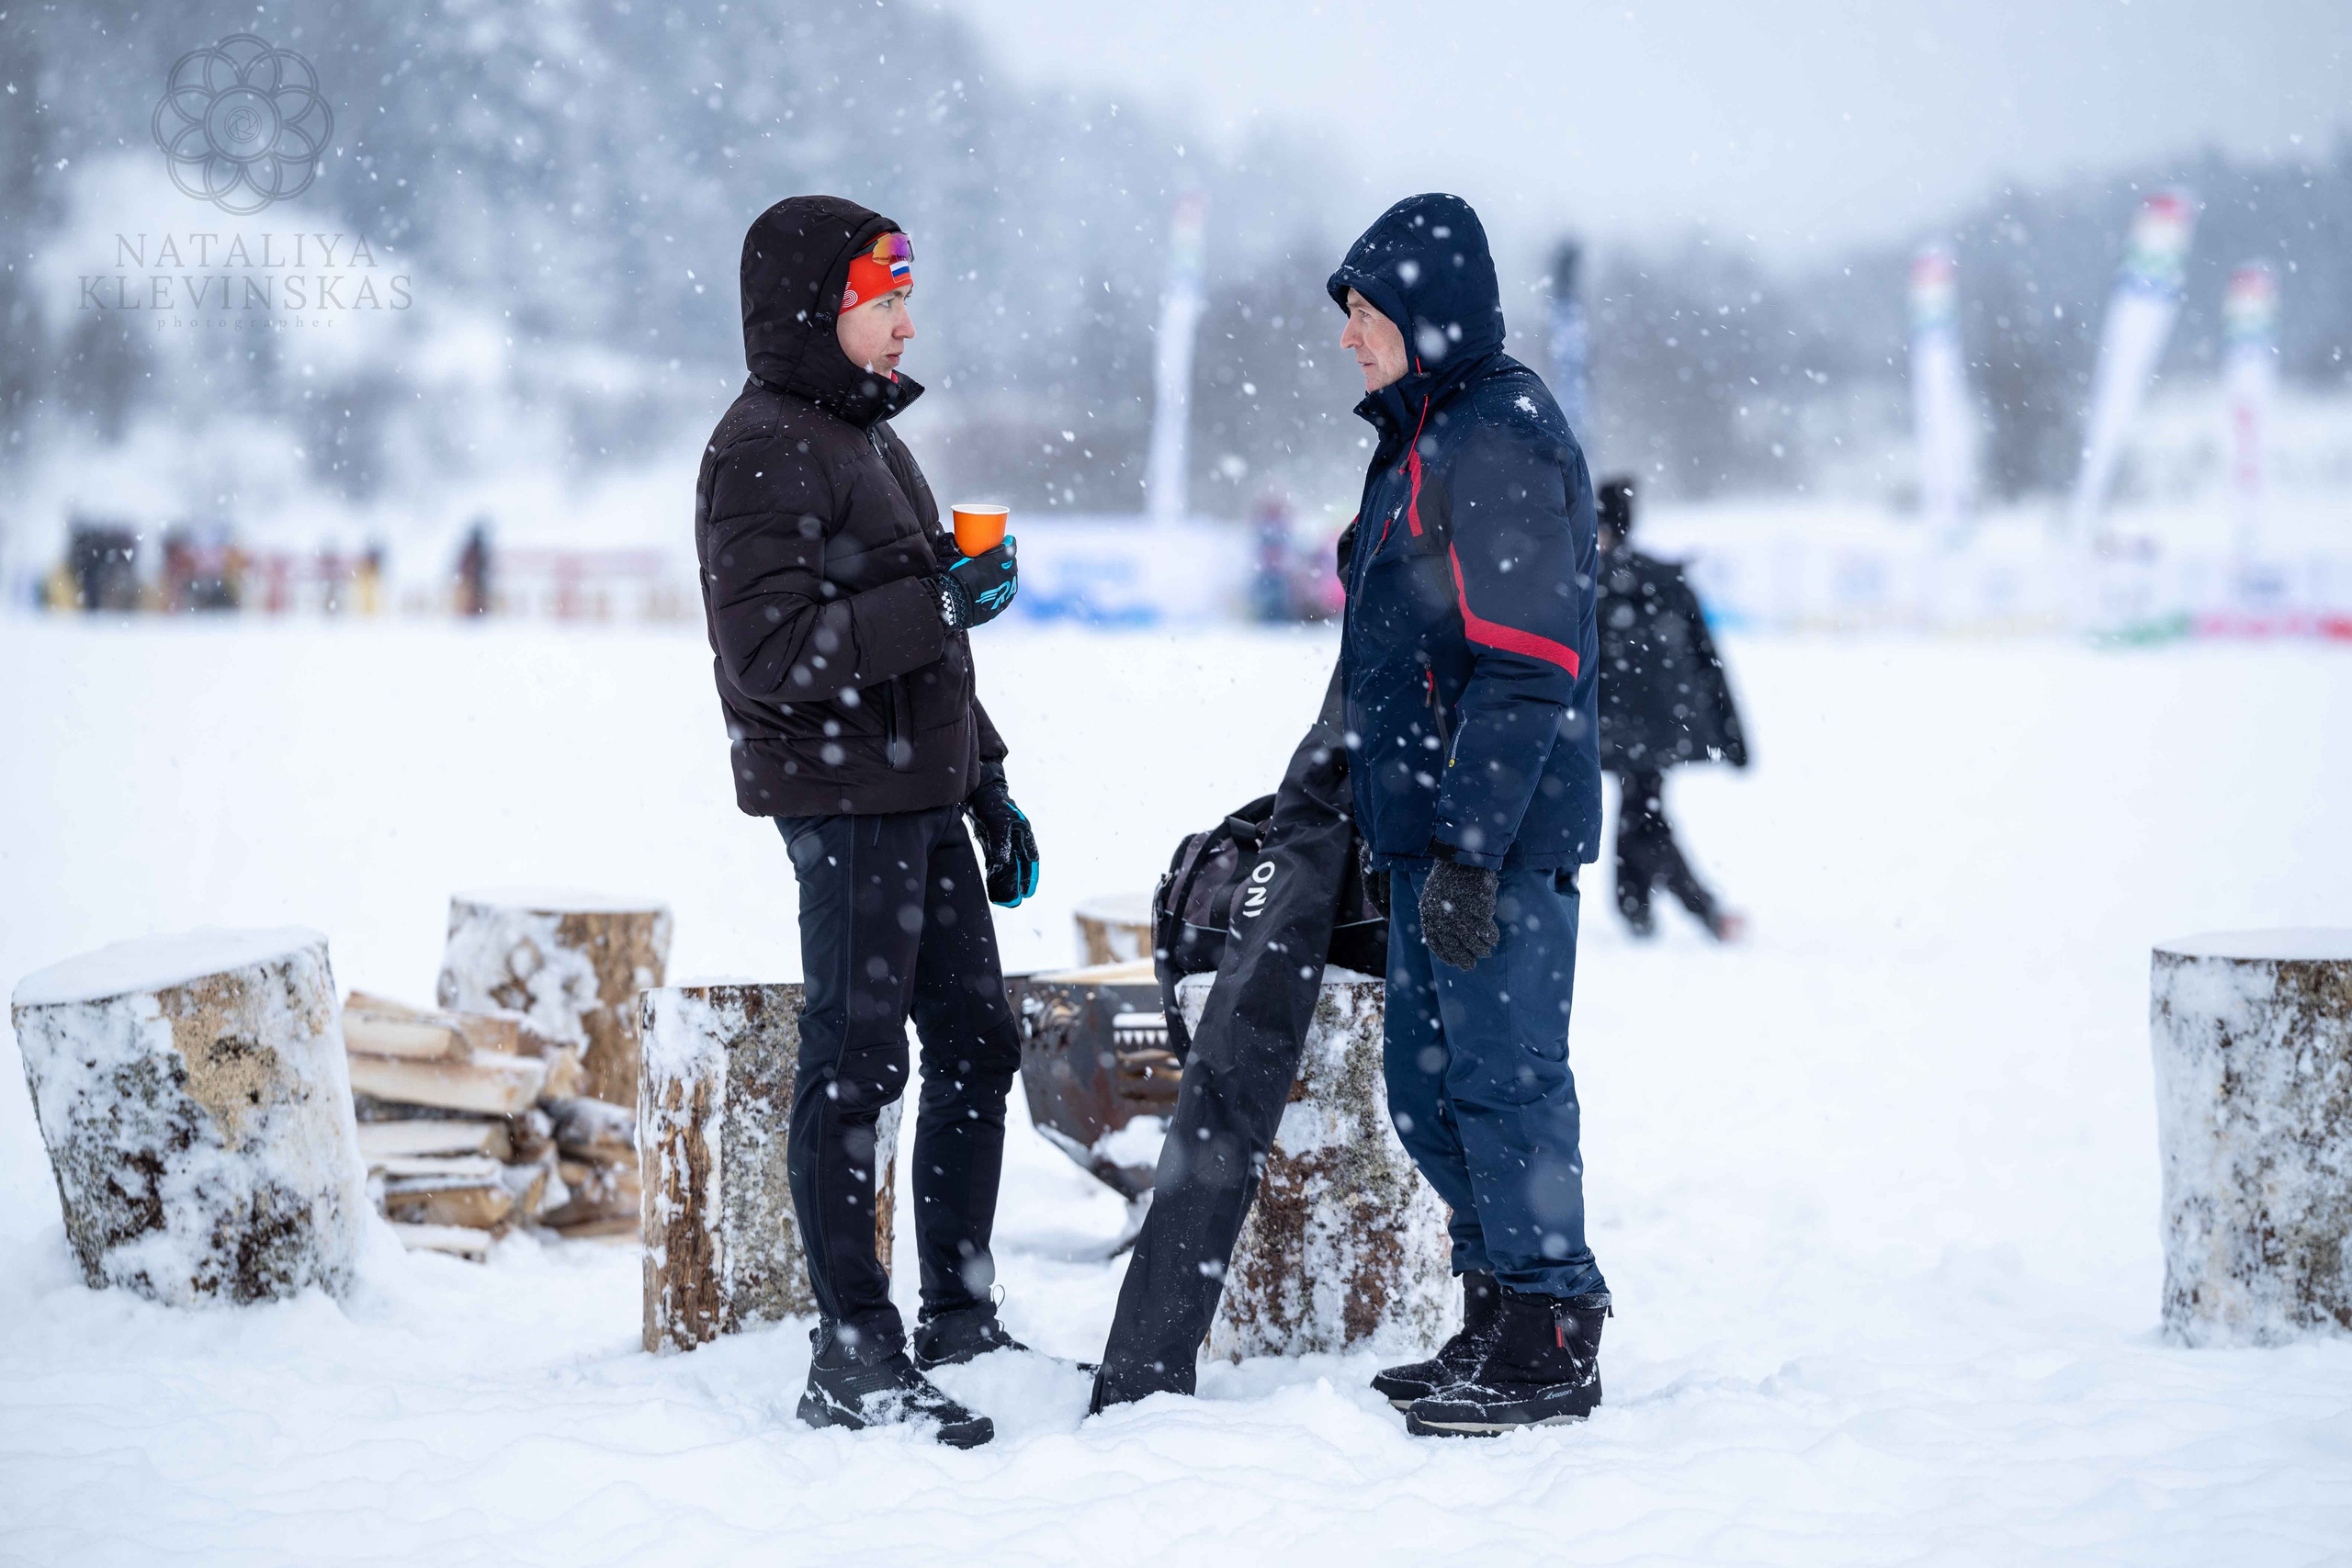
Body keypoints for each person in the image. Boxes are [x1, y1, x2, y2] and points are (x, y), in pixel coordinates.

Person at [694, 196, 1040, 1450]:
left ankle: (959, 1313)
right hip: (843, 800)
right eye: (882, 302)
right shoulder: (762, 449)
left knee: (978, 1041)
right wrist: (940, 602)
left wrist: (986, 778)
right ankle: (852, 1353)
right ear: (814, 312)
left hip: (919, 787)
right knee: (853, 1065)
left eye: (907, 299)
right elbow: (772, 654)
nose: (905, 324)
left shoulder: (866, 434)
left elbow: (923, 636)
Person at [1328, 193, 1611, 1436]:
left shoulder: (1496, 435)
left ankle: (1551, 1329)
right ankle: (1496, 1306)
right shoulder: (1426, 434)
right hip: (1427, 828)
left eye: (1365, 314)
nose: (1348, 338)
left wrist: (1469, 847)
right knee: (1426, 1088)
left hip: (1494, 837)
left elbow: (1528, 665)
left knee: (1503, 1082)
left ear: (1428, 315)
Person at [1594, 476, 1749, 941]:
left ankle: (1695, 910)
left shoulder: (1586, 583)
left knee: (1642, 812)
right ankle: (1636, 905)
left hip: (1614, 723)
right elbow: (1708, 659)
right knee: (1642, 805)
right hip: (1669, 723)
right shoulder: (1667, 578)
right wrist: (1732, 733)